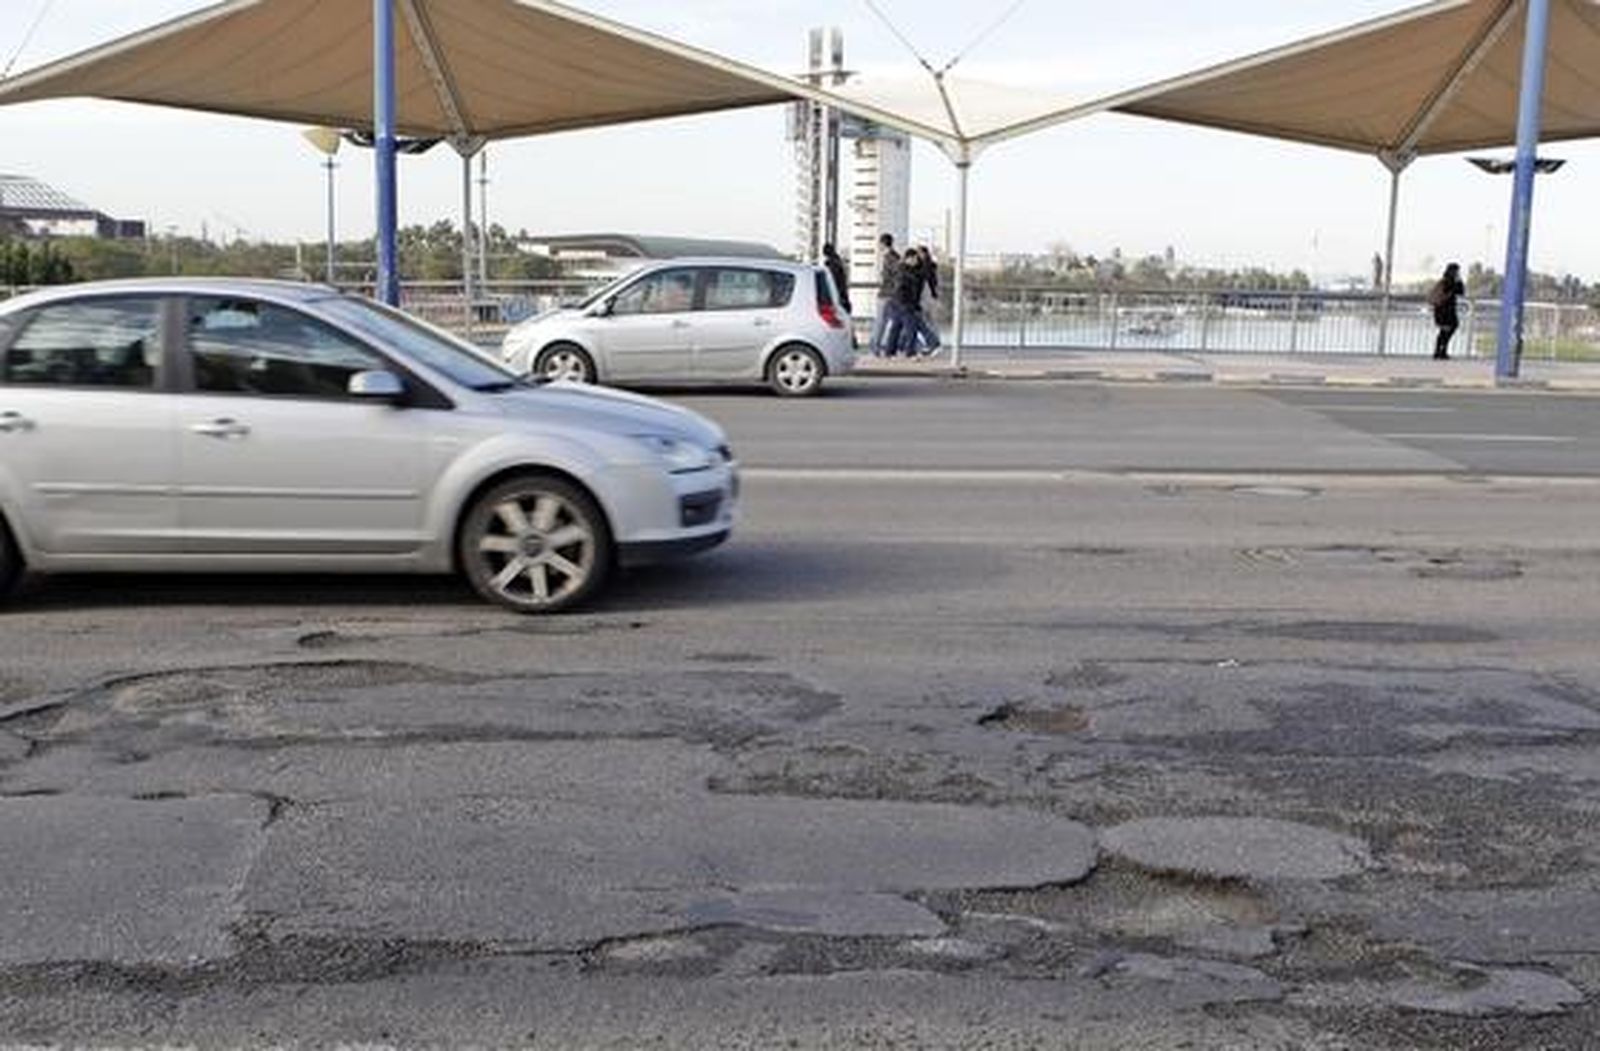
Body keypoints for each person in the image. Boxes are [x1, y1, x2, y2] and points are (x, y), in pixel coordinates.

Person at [872, 233, 904, 357]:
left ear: (883, 243)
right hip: (893, 294)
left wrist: (889, 287)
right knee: (898, 321)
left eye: (879, 243)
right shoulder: (896, 256)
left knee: (881, 322)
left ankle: (876, 347)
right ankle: (899, 346)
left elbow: (891, 277)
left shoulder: (889, 258)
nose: (878, 246)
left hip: (886, 294)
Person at [1429, 262, 1465, 360]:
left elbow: (1459, 292)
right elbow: (1460, 291)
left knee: (1444, 331)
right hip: (1446, 311)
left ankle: (1439, 351)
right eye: (1457, 271)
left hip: (1442, 310)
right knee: (1447, 330)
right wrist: (1459, 280)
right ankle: (1440, 351)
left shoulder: (1444, 280)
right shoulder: (1449, 281)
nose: (1458, 273)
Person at [821, 242, 852, 315]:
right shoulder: (837, 260)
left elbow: (833, 278)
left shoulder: (832, 263)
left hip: (837, 291)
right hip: (841, 290)